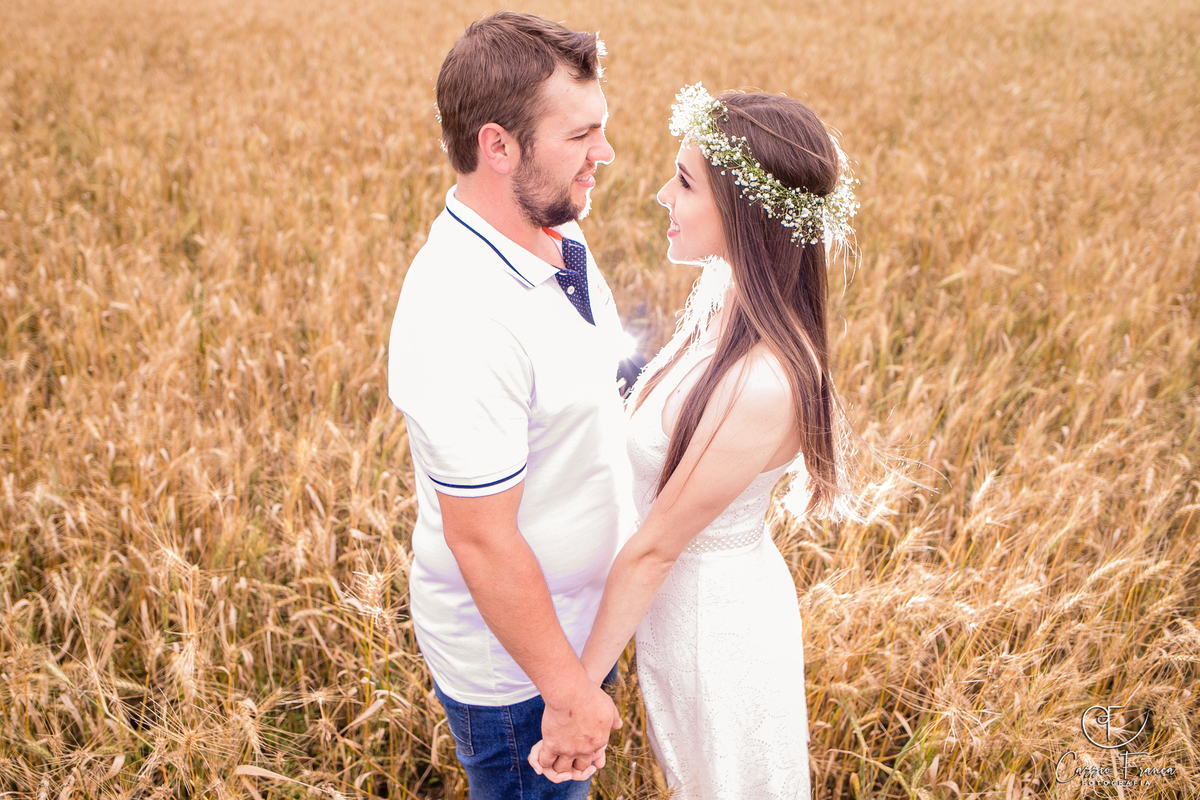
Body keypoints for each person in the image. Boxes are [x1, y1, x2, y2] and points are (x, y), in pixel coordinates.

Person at [530, 84, 860, 798]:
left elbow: (655, 547)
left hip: (719, 634)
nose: (661, 195)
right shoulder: (721, 302)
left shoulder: (764, 380)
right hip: (678, 616)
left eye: (684, 181)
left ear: (744, 213)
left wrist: (573, 698)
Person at [386, 12, 635, 799]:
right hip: (522, 678)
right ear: (499, 146)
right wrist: (568, 693)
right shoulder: (461, 312)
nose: (605, 153)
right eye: (581, 135)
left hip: (580, 633)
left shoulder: (554, 230)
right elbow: (483, 539)